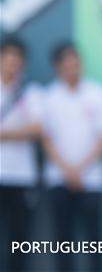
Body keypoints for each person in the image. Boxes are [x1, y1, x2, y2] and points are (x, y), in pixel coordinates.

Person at [42, 42, 102, 272]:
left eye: (75, 61)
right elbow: (45, 138)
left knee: (95, 240)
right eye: (66, 62)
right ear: (57, 67)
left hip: (91, 178)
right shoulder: (49, 97)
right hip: (59, 177)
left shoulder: (98, 93)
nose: (72, 66)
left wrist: (80, 168)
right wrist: (67, 170)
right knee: (63, 241)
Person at [0, 36, 43, 272]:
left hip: (21, 176)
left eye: (18, 59)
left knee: (19, 240)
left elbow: (37, 128)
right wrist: (19, 131)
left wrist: (4, 134)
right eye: (8, 58)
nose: (13, 63)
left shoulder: (31, 92)